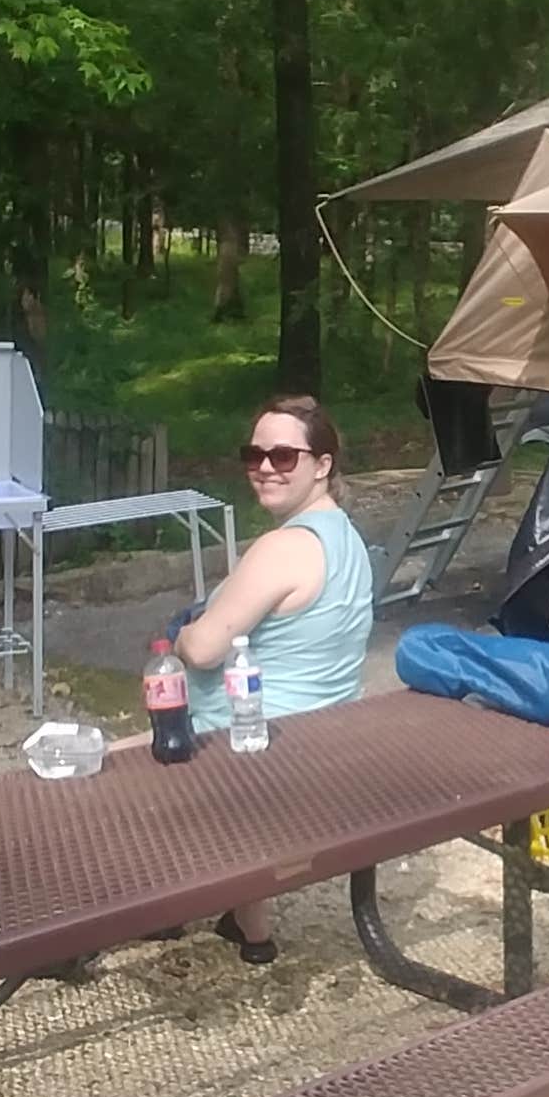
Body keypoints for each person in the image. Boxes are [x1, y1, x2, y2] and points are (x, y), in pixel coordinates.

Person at [166, 395, 374, 961]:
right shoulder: (347, 539)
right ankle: (249, 927)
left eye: (284, 455)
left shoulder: (283, 547)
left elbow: (205, 648)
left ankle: (123, 915)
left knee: (101, 778)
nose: (264, 467)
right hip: (324, 740)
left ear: (322, 464)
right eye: (253, 454)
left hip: (251, 749)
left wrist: (179, 638)